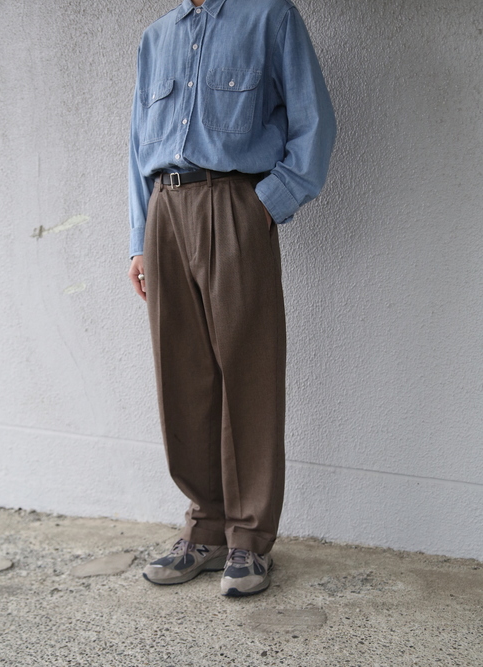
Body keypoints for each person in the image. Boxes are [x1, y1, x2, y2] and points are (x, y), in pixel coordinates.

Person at [127, 0, 336, 597]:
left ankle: (248, 538)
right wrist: (138, 240)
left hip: (235, 204)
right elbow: (136, 146)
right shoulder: (155, 37)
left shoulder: (270, 17)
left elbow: (315, 122)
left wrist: (265, 204)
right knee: (182, 375)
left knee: (249, 371)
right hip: (164, 212)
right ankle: (206, 528)